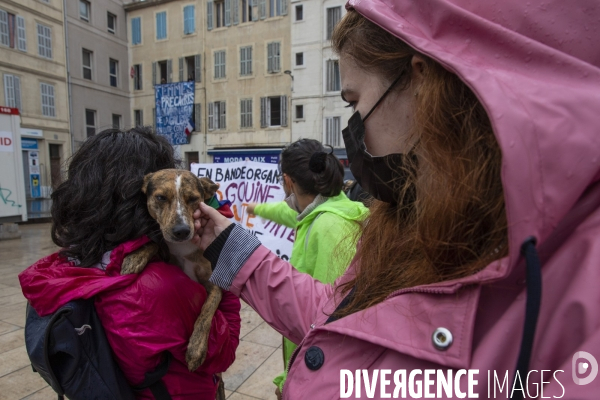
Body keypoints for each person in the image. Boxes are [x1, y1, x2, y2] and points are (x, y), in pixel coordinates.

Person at [193, 2, 600, 398]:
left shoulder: (580, 299)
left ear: (422, 88)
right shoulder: (417, 220)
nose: (357, 132)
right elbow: (338, 317)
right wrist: (228, 243)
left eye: (354, 103)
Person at [19, 127, 241, 399]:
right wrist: (226, 260)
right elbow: (224, 352)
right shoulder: (161, 287)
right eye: (162, 194)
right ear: (136, 198)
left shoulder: (71, 261)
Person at [246, 139, 368, 396]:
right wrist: (255, 208)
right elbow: (285, 212)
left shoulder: (328, 228)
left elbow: (329, 323)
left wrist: (295, 381)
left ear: (288, 181)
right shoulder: (324, 210)